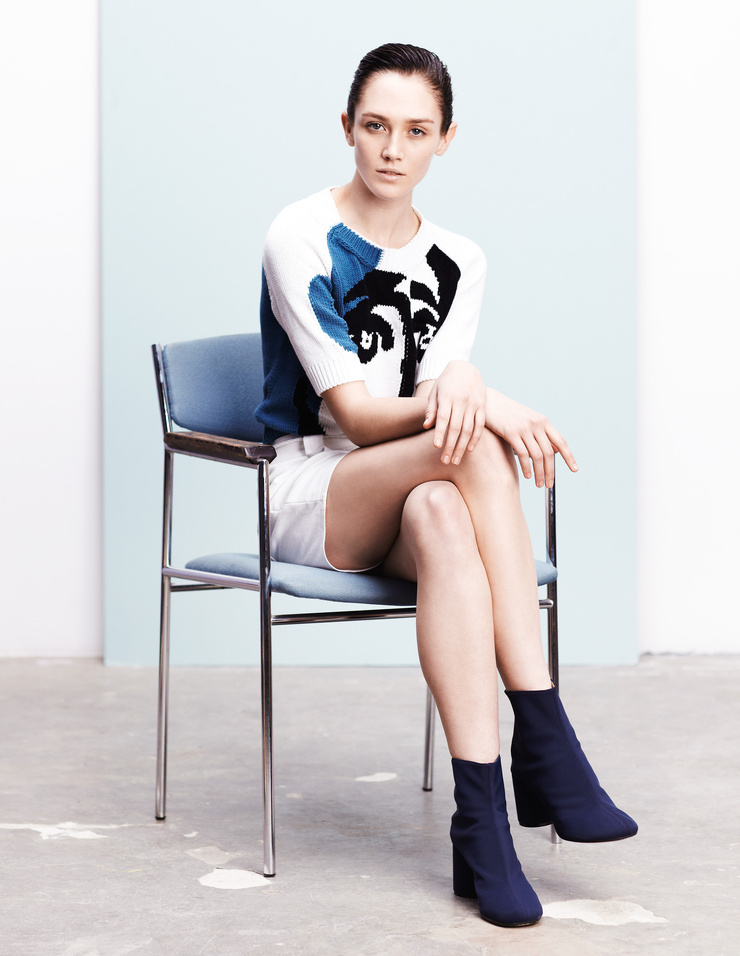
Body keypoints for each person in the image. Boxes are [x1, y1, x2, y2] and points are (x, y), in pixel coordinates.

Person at [256, 42, 637, 929]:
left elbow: (440, 408)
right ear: (346, 128)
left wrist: (464, 386)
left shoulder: (459, 257)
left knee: (441, 507)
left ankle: (483, 827)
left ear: (446, 139)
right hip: (314, 491)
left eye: (416, 130)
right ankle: (544, 733)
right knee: (474, 448)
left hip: (410, 486)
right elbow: (356, 417)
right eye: (376, 126)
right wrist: (478, 395)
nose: (393, 149)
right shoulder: (299, 236)